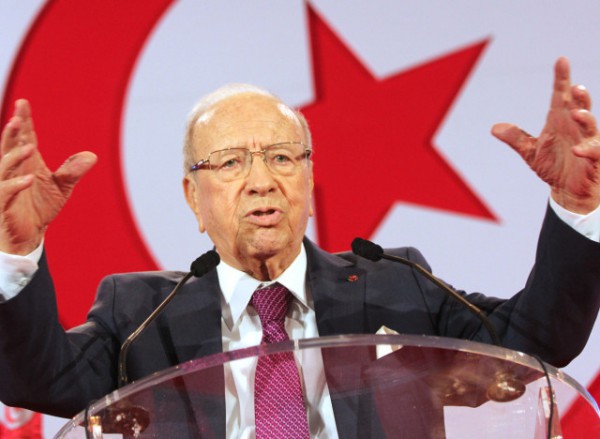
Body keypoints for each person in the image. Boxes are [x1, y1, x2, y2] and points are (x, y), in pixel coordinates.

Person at [0, 57, 599, 436]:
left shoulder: (397, 285)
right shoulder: (138, 316)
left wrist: (577, 209)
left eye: (283, 158)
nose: (263, 180)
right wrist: (17, 251)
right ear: (193, 197)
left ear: (310, 184)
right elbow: (36, 378)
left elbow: (533, 342)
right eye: (231, 162)